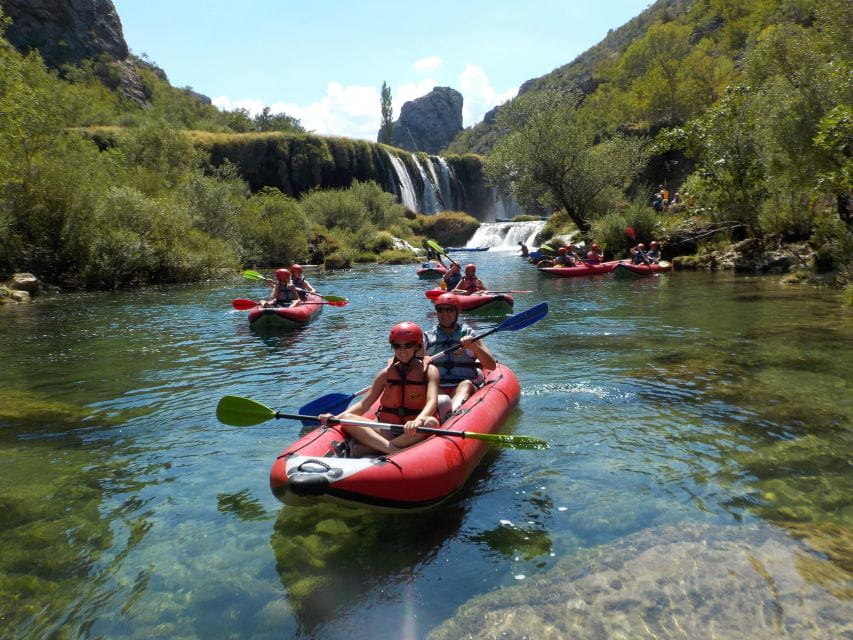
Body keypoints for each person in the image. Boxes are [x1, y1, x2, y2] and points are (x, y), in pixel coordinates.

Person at [319, 322, 440, 457]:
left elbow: (432, 401)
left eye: (408, 345)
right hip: (386, 429)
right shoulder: (385, 374)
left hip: (412, 430)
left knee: (431, 423)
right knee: (346, 419)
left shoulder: (430, 371)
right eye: (397, 346)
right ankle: (395, 451)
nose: (402, 350)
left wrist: (418, 420)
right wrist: (336, 418)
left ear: (417, 346)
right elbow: (364, 405)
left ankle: (371, 448)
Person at [424, 294, 497, 413]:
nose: (444, 313)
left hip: (462, 383)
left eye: (449, 310)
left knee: (466, 385)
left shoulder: (470, 335)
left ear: (457, 312)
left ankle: (451, 415)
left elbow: (491, 366)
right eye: (440, 310)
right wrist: (423, 361)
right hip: (438, 386)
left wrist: (474, 347)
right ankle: (442, 413)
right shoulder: (428, 337)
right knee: (433, 389)